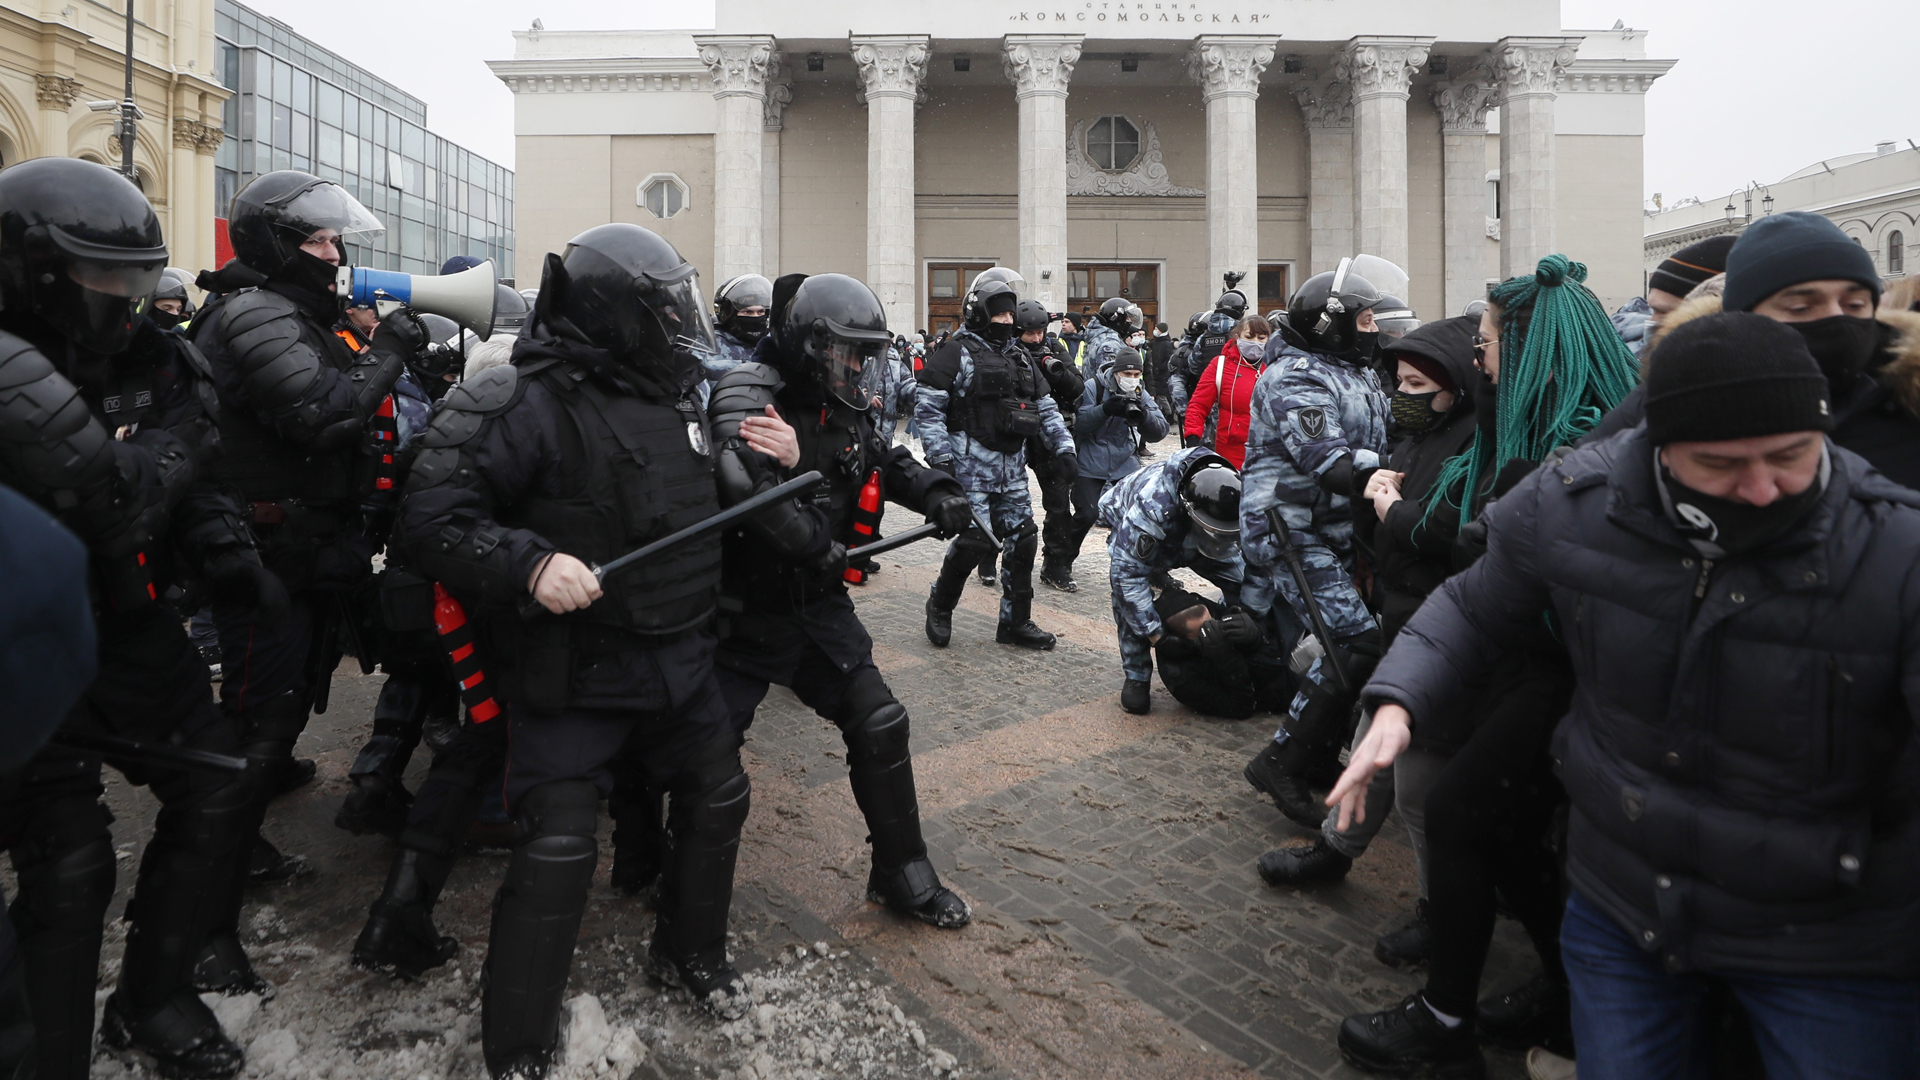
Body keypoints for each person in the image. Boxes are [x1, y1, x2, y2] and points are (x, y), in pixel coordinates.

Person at [1332, 311, 1920, 1080]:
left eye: (1791, 456)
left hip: (1828, 940)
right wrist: (1399, 700)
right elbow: (1472, 606)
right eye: (1721, 464)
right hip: (1625, 910)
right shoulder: (1576, 500)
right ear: (1659, 448)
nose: (1762, 488)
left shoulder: (1895, 550)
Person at [395, 223, 776, 1075]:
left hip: (680, 659)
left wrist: (772, 459)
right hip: (576, 671)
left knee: (717, 799)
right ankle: (519, 1042)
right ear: (613, 313)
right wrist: (529, 564)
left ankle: (689, 953)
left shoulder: (677, 393)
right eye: (661, 307)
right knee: (558, 846)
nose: (676, 322)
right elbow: (429, 520)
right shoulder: (518, 400)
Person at [0, 158, 277, 1078]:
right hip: (20, 641)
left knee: (218, 784)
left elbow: (193, 472)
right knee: (69, 860)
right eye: (99, 277)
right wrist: (152, 463)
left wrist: (225, 550)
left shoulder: (153, 356)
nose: (122, 301)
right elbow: (119, 490)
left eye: (134, 280)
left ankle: (153, 995)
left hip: (127, 618)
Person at [700, 271, 976, 927]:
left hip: (816, 609)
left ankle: (901, 872)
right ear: (812, 346)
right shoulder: (752, 396)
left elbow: (880, 458)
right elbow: (750, 493)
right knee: (704, 765)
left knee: (880, 722)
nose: (858, 368)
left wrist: (937, 491)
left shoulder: (841, 403)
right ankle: (681, 898)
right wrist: (811, 526)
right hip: (739, 617)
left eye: (864, 355)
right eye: (848, 353)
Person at [192, 170, 422, 918]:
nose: (335, 253)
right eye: (319, 240)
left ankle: (249, 795)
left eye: (333, 238)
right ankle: (208, 880)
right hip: (267, 550)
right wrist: (386, 352)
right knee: (261, 705)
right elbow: (322, 417)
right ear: (275, 246)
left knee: (289, 693)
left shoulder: (291, 313)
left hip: (304, 544)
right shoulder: (255, 314)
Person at [1293, 317, 1482, 958]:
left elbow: (1453, 534)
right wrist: (1371, 498)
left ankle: (1439, 913)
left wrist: (1391, 511)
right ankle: (1334, 848)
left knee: (1419, 787)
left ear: (1455, 386)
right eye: (1398, 382)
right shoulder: (1415, 437)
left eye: (1417, 385)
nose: (1402, 395)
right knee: (1368, 752)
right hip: (1404, 621)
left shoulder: (1476, 442)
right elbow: (1385, 530)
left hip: (1444, 631)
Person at [1592, 212, 1920, 489]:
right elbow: (1588, 478)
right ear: (1743, 314)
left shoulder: (1909, 398)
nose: (1836, 318)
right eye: (1801, 307)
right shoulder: (1679, 384)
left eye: (1855, 304)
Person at [1239, 259, 1390, 830]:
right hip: (1288, 527)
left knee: (1344, 645)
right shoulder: (1295, 376)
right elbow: (1328, 460)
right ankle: (1280, 761)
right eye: (1366, 319)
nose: (1374, 329)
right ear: (1332, 323)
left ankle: (1318, 754)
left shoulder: (1355, 370)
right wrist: (1403, 477)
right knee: (1352, 640)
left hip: (1334, 528)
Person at [918, 271, 1077, 651]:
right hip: (969, 470)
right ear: (978, 314)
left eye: (1010, 315)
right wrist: (941, 459)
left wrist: (1065, 448)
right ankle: (940, 605)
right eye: (999, 314)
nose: (1006, 321)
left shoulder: (1019, 356)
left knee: (1023, 540)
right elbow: (928, 409)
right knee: (974, 540)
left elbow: (1045, 407)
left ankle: (1015, 622)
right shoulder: (955, 352)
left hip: (1012, 470)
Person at [1095, 447, 1246, 713]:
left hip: (1195, 535)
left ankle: (1242, 648)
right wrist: (1158, 637)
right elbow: (1126, 578)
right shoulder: (1151, 509)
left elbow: (1250, 566)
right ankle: (1136, 674)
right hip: (1135, 521)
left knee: (1244, 583)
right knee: (1129, 601)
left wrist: (1248, 623)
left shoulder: (1234, 492)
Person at [1059, 345, 1166, 581]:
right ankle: (1061, 562)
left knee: (1144, 517)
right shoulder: (1094, 387)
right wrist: (1105, 410)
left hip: (1125, 462)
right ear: (1116, 372)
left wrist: (1143, 415)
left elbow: (1160, 431)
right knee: (1087, 514)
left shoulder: (1140, 392)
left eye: (1137, 374)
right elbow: (1081, 425)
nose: (1132, 378)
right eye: (1127, 374)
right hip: (1091, 459)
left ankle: (1154, 570)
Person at [1016, 302, 1087, 593]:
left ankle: (1055, 564)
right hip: (1014, 432)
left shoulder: (1054, 348)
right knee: (1005, 500)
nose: (1036, 339)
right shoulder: (1007, 351)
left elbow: (1078, 387)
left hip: (1049, 432)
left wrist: (1052, 370)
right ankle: (988, 556)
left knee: (1058, 504)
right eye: (1029, 334)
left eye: (1040, 332)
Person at [1147, 589, 1292, 719]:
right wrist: (1225, 659)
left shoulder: (1213, 613)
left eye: (1212, 623)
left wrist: (1257, 634)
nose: (1213, 630)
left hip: (1287, 661)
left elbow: (1275, 633)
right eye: (1203, 633)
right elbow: (1241, 707)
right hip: (1279, 694)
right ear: (1181, 639)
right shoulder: (1180, 678)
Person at [1182, 315, 1272, 469]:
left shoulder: (1276, 366)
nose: (1255, 342)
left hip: (1270, 452)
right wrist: (1192, 437)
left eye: (1261, 338)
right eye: (1249, 337)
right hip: (1231, 451)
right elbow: (1199, 404)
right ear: (1237, 337)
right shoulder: (1220, 365)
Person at [709, 272, 772, 382]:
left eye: (760, 312)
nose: (755, 317)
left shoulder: (772, 345)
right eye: (748, 312)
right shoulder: (709, 347)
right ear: (729, 314)